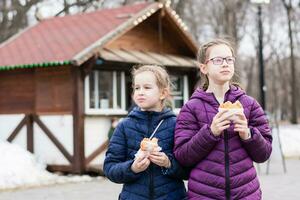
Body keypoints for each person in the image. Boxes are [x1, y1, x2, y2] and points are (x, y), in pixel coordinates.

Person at [174, 38, 272, 200]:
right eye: (218, 60)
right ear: (204, 68)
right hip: (203, 195)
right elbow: (183, 157)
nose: (225, 64)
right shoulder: (191, 108)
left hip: (246, 194)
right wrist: (210, 132)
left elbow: (264, 154)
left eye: (229, 60)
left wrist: (248, 134)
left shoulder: (249, 104)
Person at [104, 64, 187, 200]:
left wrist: (168, 163)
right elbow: (110, 168)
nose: (140, 92)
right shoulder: (124, 126)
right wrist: (132, 168)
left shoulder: (177, 124)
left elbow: (189, 169)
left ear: (163, 93)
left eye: (147, 87)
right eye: (137, 88)